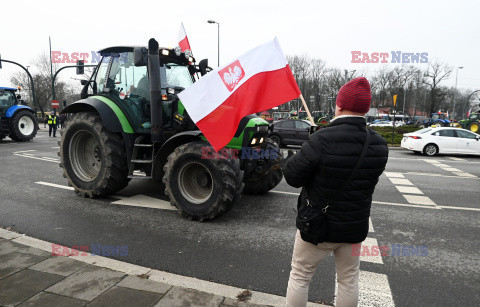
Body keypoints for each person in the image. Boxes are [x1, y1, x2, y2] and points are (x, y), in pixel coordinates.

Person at [283, 77, 388, 307]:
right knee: (348, 280)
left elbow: (292, 177)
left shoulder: (320, 140)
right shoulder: (379, 145)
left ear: (338, 106)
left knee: (300, 275)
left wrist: (306, 149)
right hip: (353, 227)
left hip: (317, 227)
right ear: (366, 108)